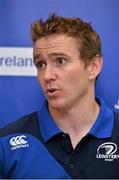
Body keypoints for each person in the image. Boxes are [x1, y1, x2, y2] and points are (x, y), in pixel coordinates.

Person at [0, 13, 119, 179]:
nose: (47, 75)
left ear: (94, 66)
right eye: (40, 64)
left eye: (60, 61)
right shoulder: (6, 143)